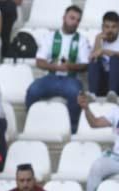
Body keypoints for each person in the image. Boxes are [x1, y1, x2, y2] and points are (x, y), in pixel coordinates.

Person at [25, 4, 89, 135]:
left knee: (75, 93)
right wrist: (55, 67)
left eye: (78, 20)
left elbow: (85, 65)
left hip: (71, 79)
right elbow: (39, 61)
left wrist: (70, 66)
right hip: (51, 78)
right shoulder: (50, 37)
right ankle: (32, 122)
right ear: (64, 17)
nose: (75, 22)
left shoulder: (82, 40)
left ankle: (73, 128)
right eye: (72, 18)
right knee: (32, 90)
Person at [87, 10, 119, 99]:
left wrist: (104, 51)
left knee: (115, 59)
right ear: (102, 27)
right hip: (104, 82)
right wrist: (97, 39)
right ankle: (92, 94)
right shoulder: (99, 42)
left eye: (113, 27)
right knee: (94, 61)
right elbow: (93, 59)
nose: (110, 30)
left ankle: (112, 93)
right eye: (107, 27)